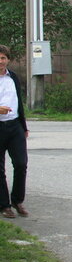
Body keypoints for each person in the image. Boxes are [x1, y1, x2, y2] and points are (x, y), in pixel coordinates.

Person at [0, 45, 29, 219]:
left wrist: (23, 127)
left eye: (3, 58)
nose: (0, 61)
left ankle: (17, 200)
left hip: (15, 126)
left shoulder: (13, 78)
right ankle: (4, 205)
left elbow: (19, 103)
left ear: (8, 60)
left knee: (21, 164)